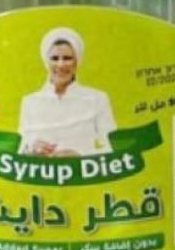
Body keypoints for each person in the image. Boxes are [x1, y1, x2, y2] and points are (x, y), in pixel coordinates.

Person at [18, 27, 117, 157]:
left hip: (83, 169)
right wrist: (31, 151)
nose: (61, 65)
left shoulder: (97, 99)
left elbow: (112, 148)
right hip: (43, 169)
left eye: (67, 58)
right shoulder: (30, 102)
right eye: (54, 58)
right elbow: (20, 150)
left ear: (77, 61)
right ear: (46, 62)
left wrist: (79, 155)